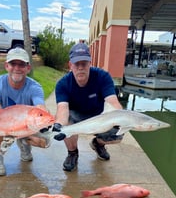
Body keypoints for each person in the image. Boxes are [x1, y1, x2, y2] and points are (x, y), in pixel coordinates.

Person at [53, 42, 123, 172]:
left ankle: (98, 144)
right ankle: (72, 153)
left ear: (90, 63)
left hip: (99, 116)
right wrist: (58, 125)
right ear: (70, 65)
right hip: (76, 116)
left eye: (84, 63)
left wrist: (121, 117)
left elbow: (112, 101)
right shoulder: (62, 84)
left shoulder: (103, 77)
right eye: (76, 64)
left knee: (118, 134)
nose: (80, 67)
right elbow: (62, 110)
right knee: (65, 124)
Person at [0, 47, 48, 176]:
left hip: (25, 126)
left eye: (21, 64)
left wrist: (45, 124)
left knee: (45, 141)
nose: (17, 68)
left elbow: (40, 106)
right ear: (6, 66)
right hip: (5, 125)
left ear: (28, 68)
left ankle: (24, 142)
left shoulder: (35, 87)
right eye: (13, 64)